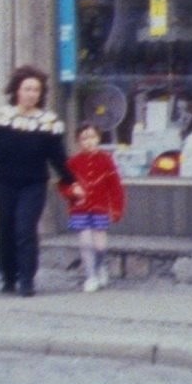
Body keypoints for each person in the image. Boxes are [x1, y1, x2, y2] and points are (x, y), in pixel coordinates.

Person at [0, 68, 69, 297]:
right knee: (5, 230)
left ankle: (27, 279)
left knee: (25, 229)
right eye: (27, 89)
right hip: (3, 183)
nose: (31, 94)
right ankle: (8, 276)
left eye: (36, 90)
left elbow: (57, 157)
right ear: (16, 90)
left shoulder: (48, 122)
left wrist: (71, 180)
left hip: (33, 184)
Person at [65, 123, 127, 293]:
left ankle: (100, 267)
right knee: (85, 242)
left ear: (98, 138)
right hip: (80, 209)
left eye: (92, 137)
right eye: (84, 138)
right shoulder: (73, 162)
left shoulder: (106, 160)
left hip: (100, 208)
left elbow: (115, 187)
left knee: (99, 245)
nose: (89, 142)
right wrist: (72, 192)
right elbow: (64, 184)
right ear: (78, 141)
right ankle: (90, 275)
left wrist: (116, 208)